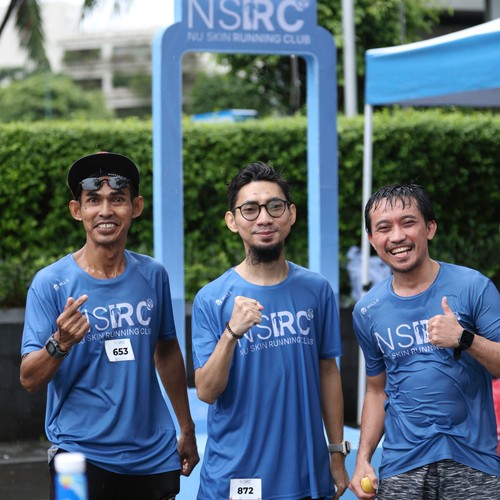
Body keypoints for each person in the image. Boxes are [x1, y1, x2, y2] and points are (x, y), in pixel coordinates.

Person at [20, 152, 199, 500]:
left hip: (152, 457)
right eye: (93, 200)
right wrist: (60, 343)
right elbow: (29, 379)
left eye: (117, 199)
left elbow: (166, 350)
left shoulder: (153, 275)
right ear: (77, 210)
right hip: (76, 455)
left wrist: (186, 426)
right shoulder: (50, 283)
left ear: (136, 207)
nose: (106, 211)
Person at [191, 161, 350, 500]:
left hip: (304, 476)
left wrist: (336, 452)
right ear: (232, 221)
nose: (264, 218)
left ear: (291, 214)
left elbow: (328, 372)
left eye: (274, 206)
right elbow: (206, 391)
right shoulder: (212, 298)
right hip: (236, 477)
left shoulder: (316, 289)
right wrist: (231, 333)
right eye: (250, 209)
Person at [349, 184, 500, 499]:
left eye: (408, 223)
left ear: (430, 228)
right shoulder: (367, 310)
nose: (397, 236)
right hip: (401, 466)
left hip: (473, 463)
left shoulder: (474, 286)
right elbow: (376, 390)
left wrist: (464, 338)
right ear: (372, 239)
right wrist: (363, 459)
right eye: (384, 228)